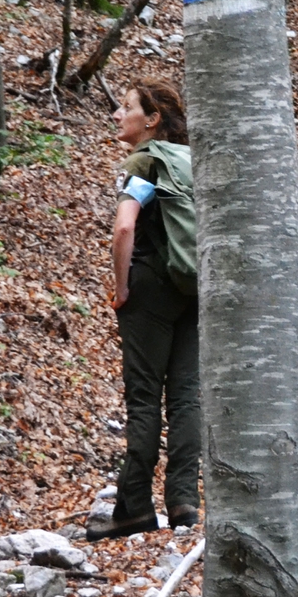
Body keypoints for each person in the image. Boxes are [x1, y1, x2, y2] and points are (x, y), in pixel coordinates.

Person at [90, 80, 201, 540]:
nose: (117, 114)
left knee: (143, 398)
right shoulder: (195, 162)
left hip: (150, 286)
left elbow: (123, 228)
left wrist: (121, 287)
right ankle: (184, 503)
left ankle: (133, 507)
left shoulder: (146, 161)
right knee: (187, 397)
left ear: (151, 119)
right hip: (194, 285)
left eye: (127, 107)